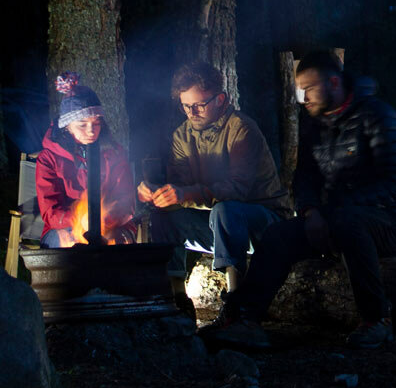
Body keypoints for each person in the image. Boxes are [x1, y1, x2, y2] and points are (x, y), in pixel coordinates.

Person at [206, 50, 396, 350]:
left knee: (348, 224)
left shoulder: (378, 116)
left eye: (309, 88)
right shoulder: (314, 122)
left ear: (333, 82)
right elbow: (305, 177)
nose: (304, 97)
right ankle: (246, 319)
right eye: (300, 89)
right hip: (332, 216)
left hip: (391, 218)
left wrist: (334, 212)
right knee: (278, 234)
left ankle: (377, 319)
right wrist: (309, 211)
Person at [142, 61, 289, 295]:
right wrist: (158, 191)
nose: (192, 113)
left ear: (220, 99)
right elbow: (180, 184)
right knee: (164, 217)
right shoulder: (182, 135)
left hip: (262, 222)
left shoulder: (241, 129)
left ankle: (236, 299)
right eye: (186, 106)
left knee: (226, 210)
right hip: (216, 225)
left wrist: (186, 194)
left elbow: (236, 190)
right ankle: (176, 297)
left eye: (199, 105)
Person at [36, 73, 137, 246]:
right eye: (82, 125)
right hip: (66, 227)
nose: (91, 131)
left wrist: (106, 218)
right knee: (68, 245)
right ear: (67, 126)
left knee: (115, 246)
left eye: (96, 123)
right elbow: (51, 211)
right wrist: (80, 220)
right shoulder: (49, 159)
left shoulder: (114, 153)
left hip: (113, 224)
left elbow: (127, 201)